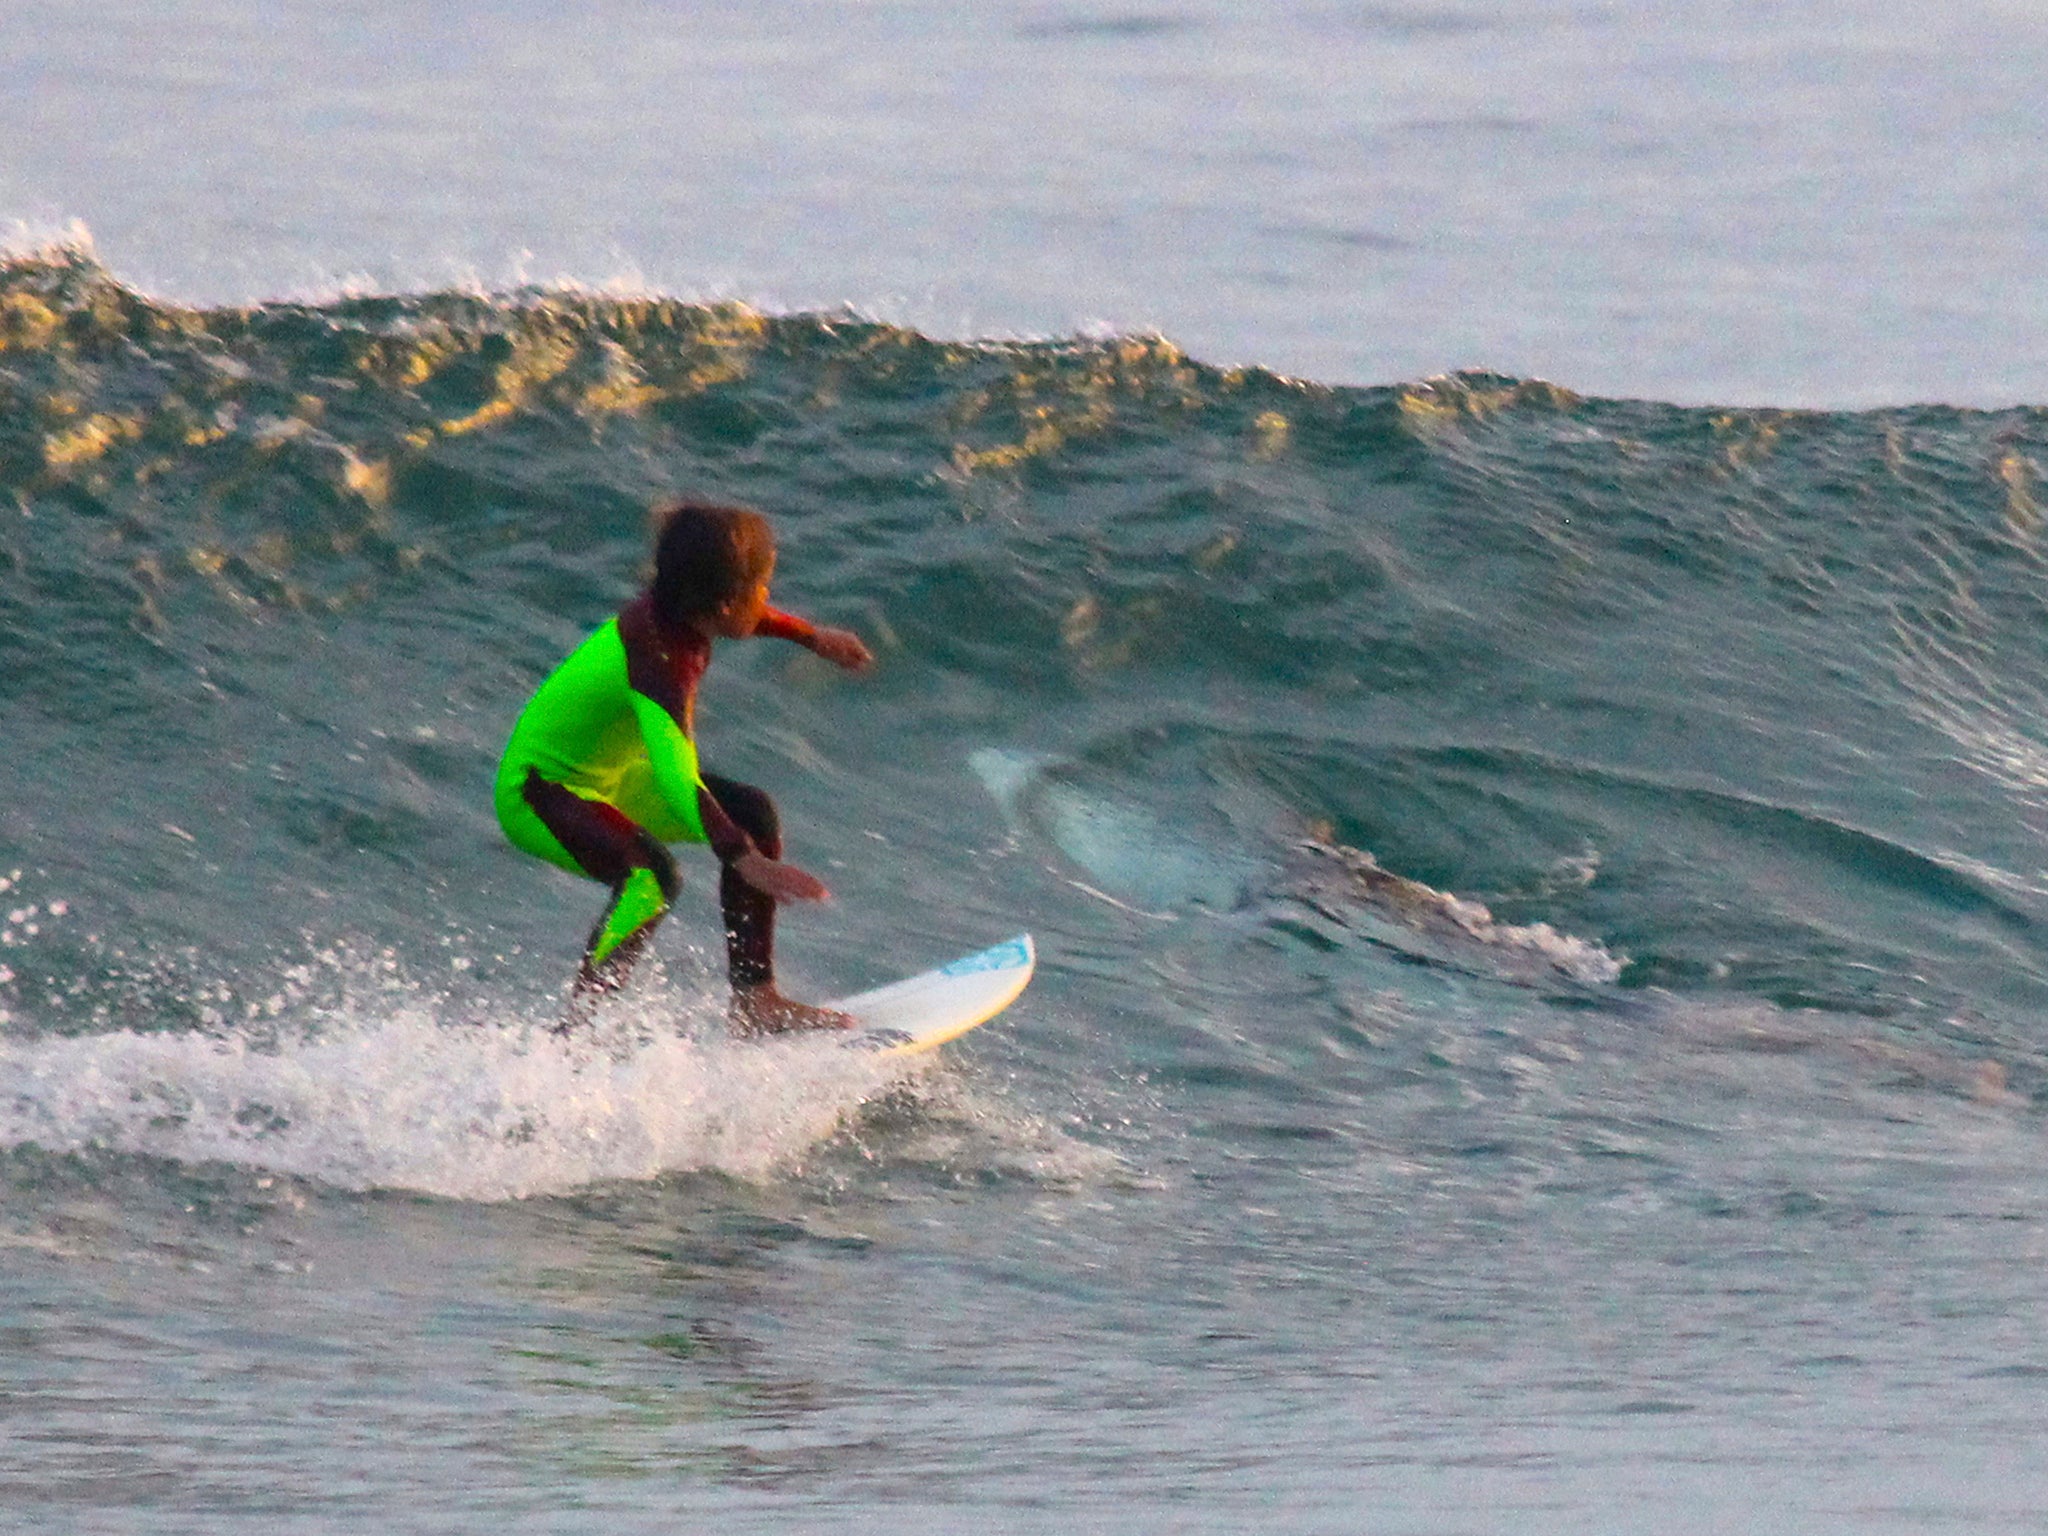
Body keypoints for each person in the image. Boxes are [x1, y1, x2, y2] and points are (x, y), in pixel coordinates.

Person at [494, 499, 873, 1035]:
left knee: (751, 811)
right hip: (540, 792)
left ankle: (755, 1003)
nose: (767, 596)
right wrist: (743, 859)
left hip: (611, 778)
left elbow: (745, 616)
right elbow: (676, 772)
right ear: (721, 604)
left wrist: (812, 637)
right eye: (760, 586)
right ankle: (575, 1037)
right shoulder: (659, 661)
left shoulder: (677, 610)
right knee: (652, 876)